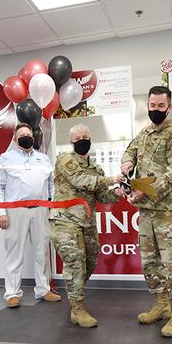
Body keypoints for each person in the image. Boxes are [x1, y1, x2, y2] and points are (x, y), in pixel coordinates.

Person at [120, 86, 172, 338]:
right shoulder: (144, 133)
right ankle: (161, 304)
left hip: (166, 210)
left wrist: (146, 190)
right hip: (146, 212)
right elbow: (130, 150)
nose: (155, 110)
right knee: (150, 263)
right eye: (152, 106)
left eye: (160, 106)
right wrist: (127, 162)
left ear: (169, 106)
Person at [50, 124, 124, 327]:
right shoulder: (64, 159)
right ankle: (78, 309)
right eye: (78, 138)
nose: (82, 140)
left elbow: (100, 194)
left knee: (90, 261)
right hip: (64, 220)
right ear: (71, 142)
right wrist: (111, 178)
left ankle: (76, 296)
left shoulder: (96, 168)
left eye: (85, 136)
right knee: (75, 262)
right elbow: (80, 180)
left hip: (86, 222)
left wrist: (116, 193)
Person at [0, 123, 61, 307]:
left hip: (40, 210)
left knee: (42, 252)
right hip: (15, 211)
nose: (25, 136)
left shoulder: (43, 159)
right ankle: (12, 293)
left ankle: (43, 289)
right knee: (14, 254)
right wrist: (1, 212)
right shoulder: (6, 158)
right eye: (21, 134)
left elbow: (51, 185)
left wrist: (51, 207)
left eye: (28, 134)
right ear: (15, 139)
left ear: (34, 137)